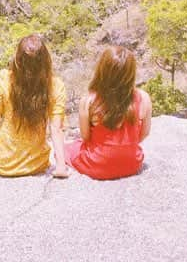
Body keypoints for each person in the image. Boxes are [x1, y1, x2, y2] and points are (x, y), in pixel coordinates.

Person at [0, 34, 69, 178]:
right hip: (35, 164)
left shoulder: (4, 79)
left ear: (18, 59)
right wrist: (61, 166)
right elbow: (56, 129)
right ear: (45, 60)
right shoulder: (56, 86)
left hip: (1, 163)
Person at [65, 45, 152, 180]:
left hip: (97, 165)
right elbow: (144, 134)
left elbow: (86, 137)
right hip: (131, 164)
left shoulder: (89, 100)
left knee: (68, 149)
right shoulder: (143, 98)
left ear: (102, 70)